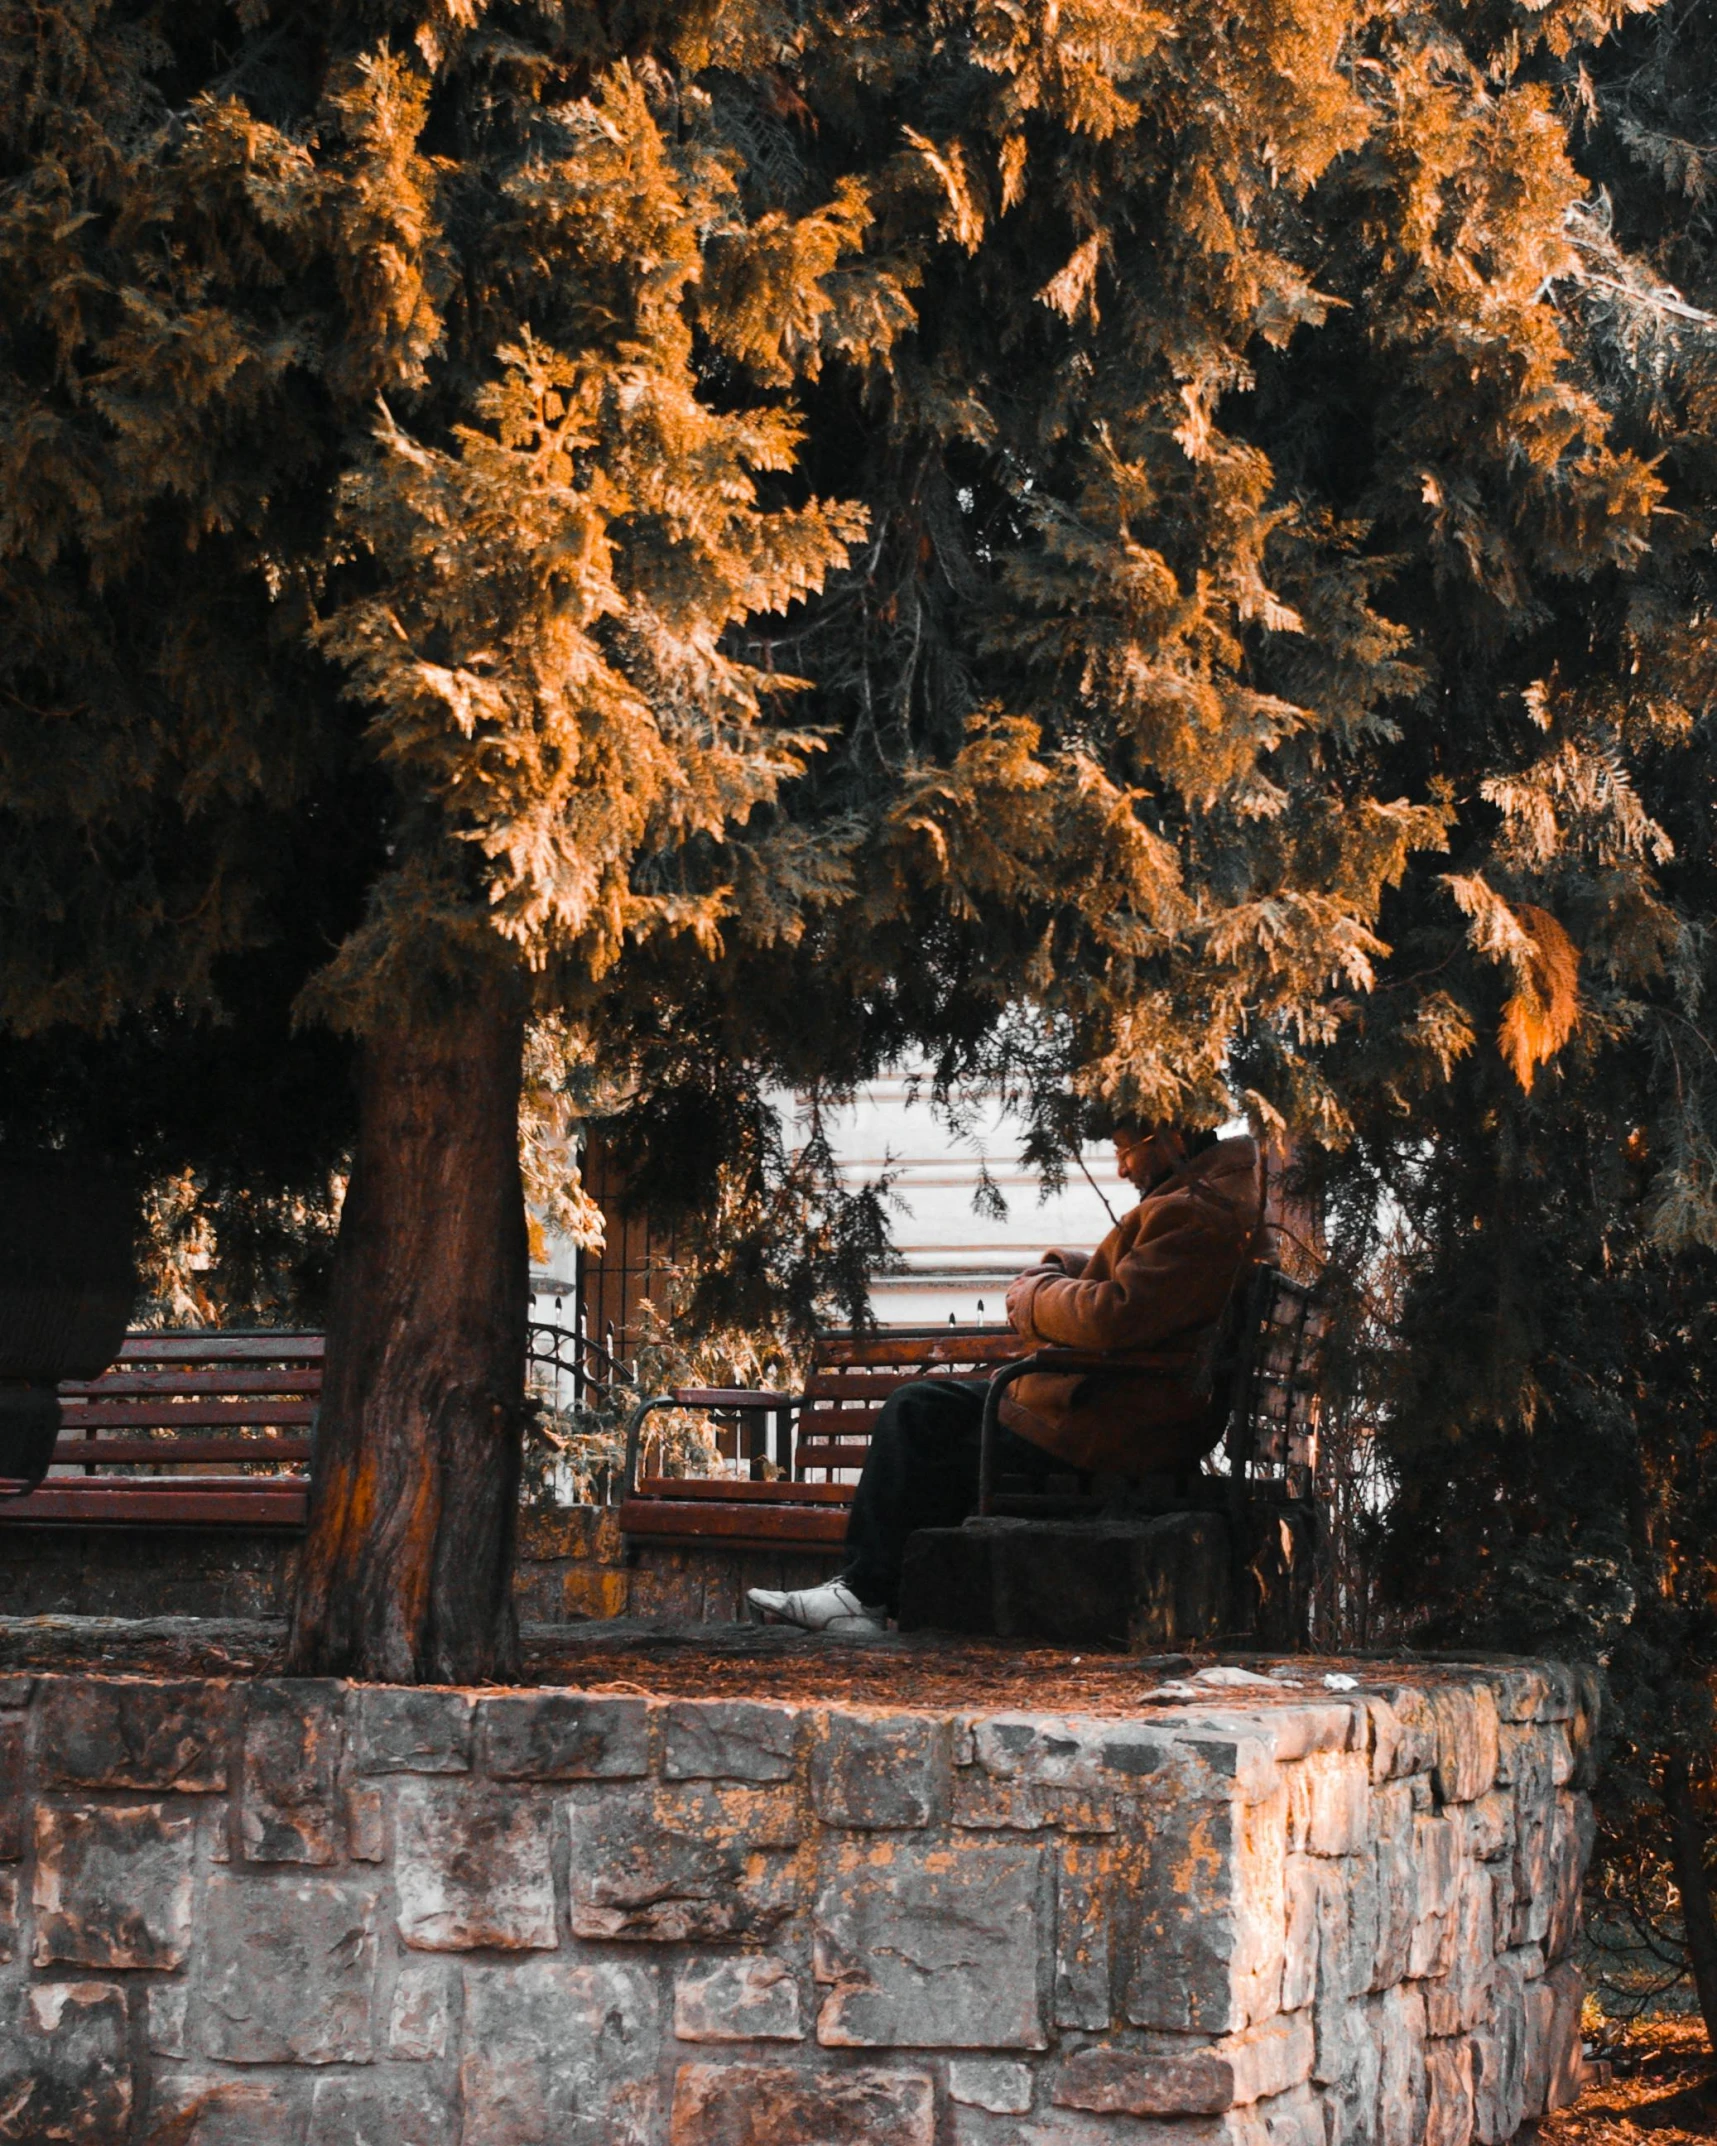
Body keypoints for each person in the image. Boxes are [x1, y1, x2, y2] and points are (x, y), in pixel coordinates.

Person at [747, 1116, 1263, 1635]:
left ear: (1174, 1135)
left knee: (917, 1418)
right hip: (1108, 1407)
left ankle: (865, 1597)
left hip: (1105, 1427)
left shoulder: (1199, 1213)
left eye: (1127, 1146)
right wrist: (1065, 1267)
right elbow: (1151, 1293)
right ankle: (872, 1599)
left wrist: (1035, 1298)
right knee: (926, 1410)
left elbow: (1116, 1314)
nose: (1121, 1164)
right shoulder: (1201, 1197)